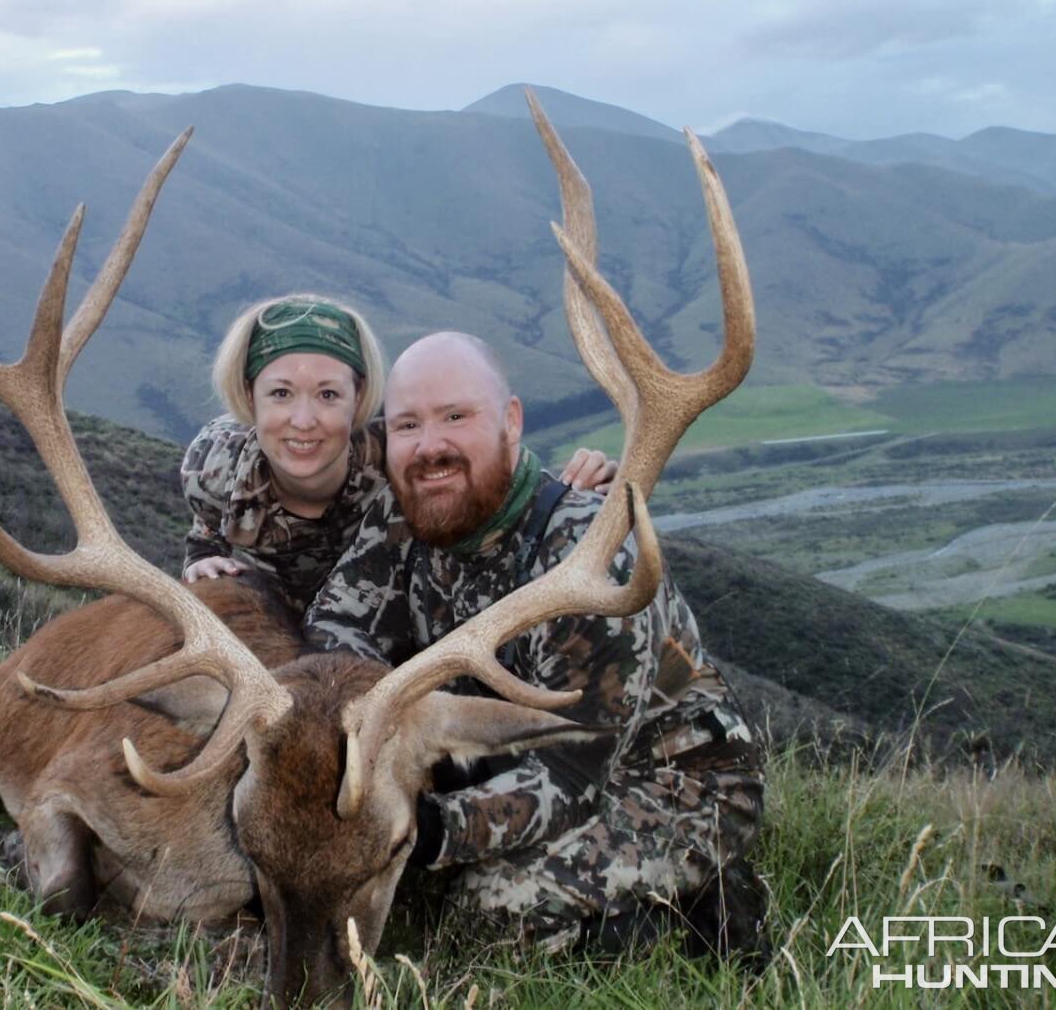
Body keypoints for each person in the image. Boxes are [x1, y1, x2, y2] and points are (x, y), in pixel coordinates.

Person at [302, 330, 767, 957]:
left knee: (482, 912)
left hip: (666, 782)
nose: (429, 445)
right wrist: (370, 731)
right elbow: (335, 628)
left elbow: (572, 773)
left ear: (511, 422)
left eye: (456, 417)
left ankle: (710, 913)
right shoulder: (404, 516)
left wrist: (424, 828)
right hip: (514, 758)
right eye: (407, 424)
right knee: (398, 882)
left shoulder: (586, 560)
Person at [180, 294, 615, 609]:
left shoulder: (401, 456)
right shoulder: (213, 466)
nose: (304, 420)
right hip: (273, 637)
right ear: (248, 396)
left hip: (375, 635)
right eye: (281, 393)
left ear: (361, 397)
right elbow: (206, 525)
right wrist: (202, 560)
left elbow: (490, 477)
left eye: (329, 394)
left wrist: (570, 491)